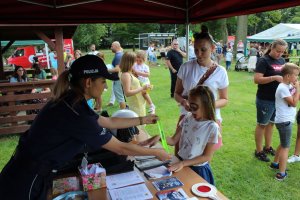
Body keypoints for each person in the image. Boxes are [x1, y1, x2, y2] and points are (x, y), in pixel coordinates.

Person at [0, 55, 170, 200]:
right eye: (103, 81)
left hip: (27, 171)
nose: (105, 87)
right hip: (26, 180)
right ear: (89, 82)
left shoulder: (74, 100)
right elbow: (119, 148)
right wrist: (156, 152)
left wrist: (143, 119)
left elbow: (108, 122)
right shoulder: (75, 112)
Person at [141, 85, 219, 185]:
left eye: (194, 107)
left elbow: (207, 157)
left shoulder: (212, 127)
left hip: (198, 169)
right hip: (180, 164)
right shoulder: (187, 118)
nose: (191, 110)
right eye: (190, 107)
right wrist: (160, 137)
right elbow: (173, 140)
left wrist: (183, 163)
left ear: (206, 106)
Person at [173, 26, 229, 154]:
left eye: (203, 50)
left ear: (212, 49)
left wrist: (205, 106)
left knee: (202, 156)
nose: (199, 54)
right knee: (180, 151)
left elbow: (225, 100)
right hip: (187, 116)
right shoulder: (186, 67)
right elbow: (177, 93)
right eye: (196, 50)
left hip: (209, 119)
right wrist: (183, 102)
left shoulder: (221, 72)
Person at [254, 38, 287, 162]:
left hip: (277, 99)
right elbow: (257, 79)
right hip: (265, 98)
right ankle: (258, 151)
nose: (280, 54)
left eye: (282, 52)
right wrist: (274, 77)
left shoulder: (282, 60)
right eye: (278, 51)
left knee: (271, 124)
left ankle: (267, 147)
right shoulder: (264, 60)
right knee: (262, 124)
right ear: (272, 48)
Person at [269, 63, 299, 181]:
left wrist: (296, 88)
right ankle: (281, 173)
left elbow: (295, 97)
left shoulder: (287, 86)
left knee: (283, 143)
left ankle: (275, 163)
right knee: (286, 147)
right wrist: (298, 89)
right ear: (287, 76)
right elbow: (294, 103)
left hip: (284, 120)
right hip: (284, 121)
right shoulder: (282, 88)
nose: (297, 78)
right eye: (295, 75)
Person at [120, 51, 152, 141]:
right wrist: (142, 88)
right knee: (139, 128)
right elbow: (127, 92)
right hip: (135, 106)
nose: (136, 63)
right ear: (130, 62)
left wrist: (145, 87)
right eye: (134, 61)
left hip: (139, 103)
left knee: (140, 128)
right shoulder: (126, 75)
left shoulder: (129, 73)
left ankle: (140, 145)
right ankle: (140, 147)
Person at [133, 50, 156, 114]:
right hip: (138, 82)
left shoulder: (145, 66)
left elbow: (147, 74)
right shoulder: (134, 65)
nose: (138, 62)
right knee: (139, 95)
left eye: (140, 61)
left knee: (144, 93)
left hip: (145, 82)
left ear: (144, 60)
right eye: (137, 60)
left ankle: (152, 105)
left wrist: (138, 73)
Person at [107, 41, 126, 109]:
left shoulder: (118, 56)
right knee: (121, 97)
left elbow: (117, 69)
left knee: (121, 98)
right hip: (119, 78)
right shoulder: (120, 54)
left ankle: (123, 114)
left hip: (118, 79)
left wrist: (106, 70)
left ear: (116, 46)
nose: (111, 48)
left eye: (112, 46)